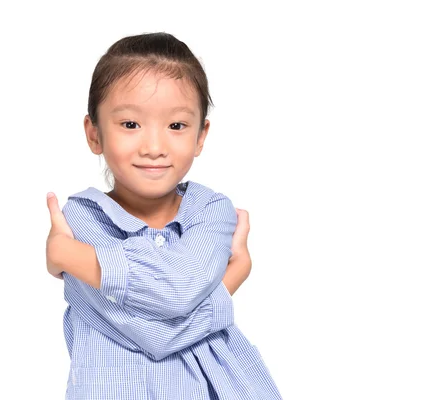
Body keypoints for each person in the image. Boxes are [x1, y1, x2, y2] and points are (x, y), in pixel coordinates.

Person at [46, 32, 282, 400]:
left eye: (176, 126)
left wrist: (66, 256)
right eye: (130, 124)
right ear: (94, 134)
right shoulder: (81, 218)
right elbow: (153, 332)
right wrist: (231, 278)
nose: (154, 147)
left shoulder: (210, 211)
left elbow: (178, 291)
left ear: (201, 136)